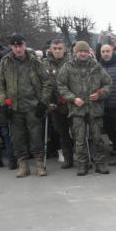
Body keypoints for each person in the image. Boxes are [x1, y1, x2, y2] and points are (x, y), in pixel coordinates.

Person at [0, 33, 53, 178]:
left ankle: (39, 164)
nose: (18, 49)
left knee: (36, 136)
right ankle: (23, 165)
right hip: (14, 107)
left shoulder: (35, 62)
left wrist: (43, 102)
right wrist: (3, 103)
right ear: (11, 47)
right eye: (15, 46)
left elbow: (47, 82)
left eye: (20, 45)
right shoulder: (5, 62)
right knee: (18, 137)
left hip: (33, 106)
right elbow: (0, 83)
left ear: (25, 45)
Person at [56, 41, 112, 176]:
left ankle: (99, 163)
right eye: (80, 51)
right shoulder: (68, 67)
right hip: (77, 109)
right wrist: (73, 98)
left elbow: (108, 84)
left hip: (94, 108)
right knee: (79, 139)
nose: (83, 53)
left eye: (85, 51)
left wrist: (99, 94)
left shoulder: (96, 66)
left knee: (97, 137)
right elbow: (60, 85)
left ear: (88, 52)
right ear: (76, 52)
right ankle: (82, 164)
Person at [43, 39, 74, 169]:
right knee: (62, 133)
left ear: (65, 49)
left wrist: (70, 97)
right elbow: (43, 83)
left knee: (77, 132)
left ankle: (82, 157)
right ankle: (68, 159)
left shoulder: (72, 62)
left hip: (71, 103)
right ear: (50, 49)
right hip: (55, 105)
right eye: (54, 48)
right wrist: (47, 102)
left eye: (60, 48)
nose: (57, 51)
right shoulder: (44, 63)